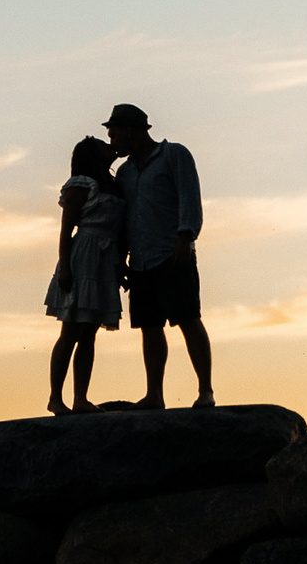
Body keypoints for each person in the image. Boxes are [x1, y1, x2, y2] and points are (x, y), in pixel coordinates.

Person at [104, 102, 214, 409]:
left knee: (189, 319)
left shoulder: (174, 155)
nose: (112, 141)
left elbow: (189, 197)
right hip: (140, 259)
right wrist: (122, 259)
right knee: (149, 327)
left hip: (172, 253)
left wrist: (186, 237)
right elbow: (124, 219)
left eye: (114, 135)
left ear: (129, 131)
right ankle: (155, 394)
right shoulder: (124, 173)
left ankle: (205, 389)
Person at [43, 135, 126, 414]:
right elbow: (66, 230)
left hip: (105, 257)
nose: (110, 147)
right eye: (104, 145)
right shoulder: (81, 185)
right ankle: (56, 397)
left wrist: (120, 264)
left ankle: (81, 398)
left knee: (89, 333)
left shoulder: (112, 186)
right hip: (84, 256)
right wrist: (65, 266)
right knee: (70, 331)